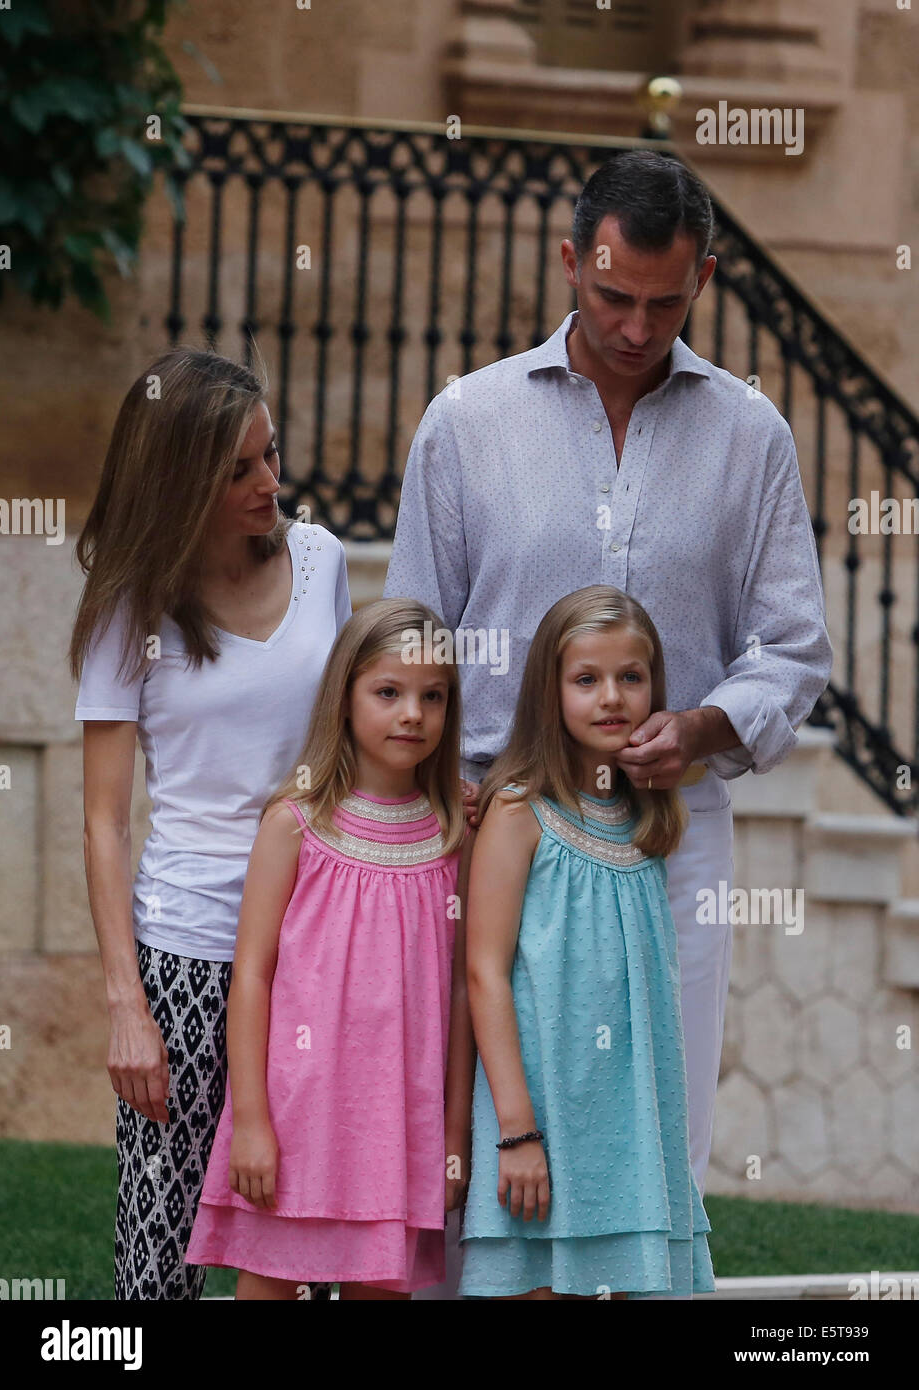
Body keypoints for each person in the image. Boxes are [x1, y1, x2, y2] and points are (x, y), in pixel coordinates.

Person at [384, 152, 833, 1256]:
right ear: (569, 261)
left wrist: (703, 726)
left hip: (670, 832)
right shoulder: (466, 419)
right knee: (479, 1129)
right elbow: (412, 636)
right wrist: (443, 801)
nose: (636, 326)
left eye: (664, 302)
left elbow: (792, 648)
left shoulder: (750, 435)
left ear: (707, 279)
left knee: (657, 1122)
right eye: (611, 296)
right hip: (496, 828)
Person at [70, 346, 353, 1299]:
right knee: (160, 1247)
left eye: (271, 454)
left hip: (313, 941)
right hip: (188, 949)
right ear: (181, 479)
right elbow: (105, 823)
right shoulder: (130, 603)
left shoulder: (321, 562)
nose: (270, 482)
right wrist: (126, 1007)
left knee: (303, 1238)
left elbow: (350, 744)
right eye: (238, 469)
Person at [185, 599, 476, 1299]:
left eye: (432, 697)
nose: (412, 714)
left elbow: (464, 989)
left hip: (398, 1131)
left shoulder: (454, 836)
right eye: (388, 692)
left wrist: (456, 1134)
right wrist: (251, 1120)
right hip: (294, 1118)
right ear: (343, 698)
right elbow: (250, 976)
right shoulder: (295, 824)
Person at [460, 586, 715, 1300]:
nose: (612, 697)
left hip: (630, 1128)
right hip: (541, 1118)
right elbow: (484, 972)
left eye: (631, 677)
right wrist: (517, 1133)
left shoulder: (647, 820)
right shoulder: (518, 810)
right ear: (551, 690)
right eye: (586, 679)